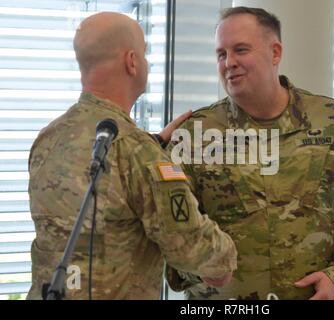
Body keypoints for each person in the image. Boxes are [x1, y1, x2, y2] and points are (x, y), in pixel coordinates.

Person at [167, 7, 334, 300]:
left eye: (240, 50)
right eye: (221, 54)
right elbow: (165, 223)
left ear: (275, 53)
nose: (229, 63)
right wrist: (197, 267)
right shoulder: (195, 135)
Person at [26, 12, 237, 300]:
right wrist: (227, 255)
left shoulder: (48, 138)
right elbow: (202, 255)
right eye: (145, 55)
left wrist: (153, 145)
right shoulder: (137, 153)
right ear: (132, 61)